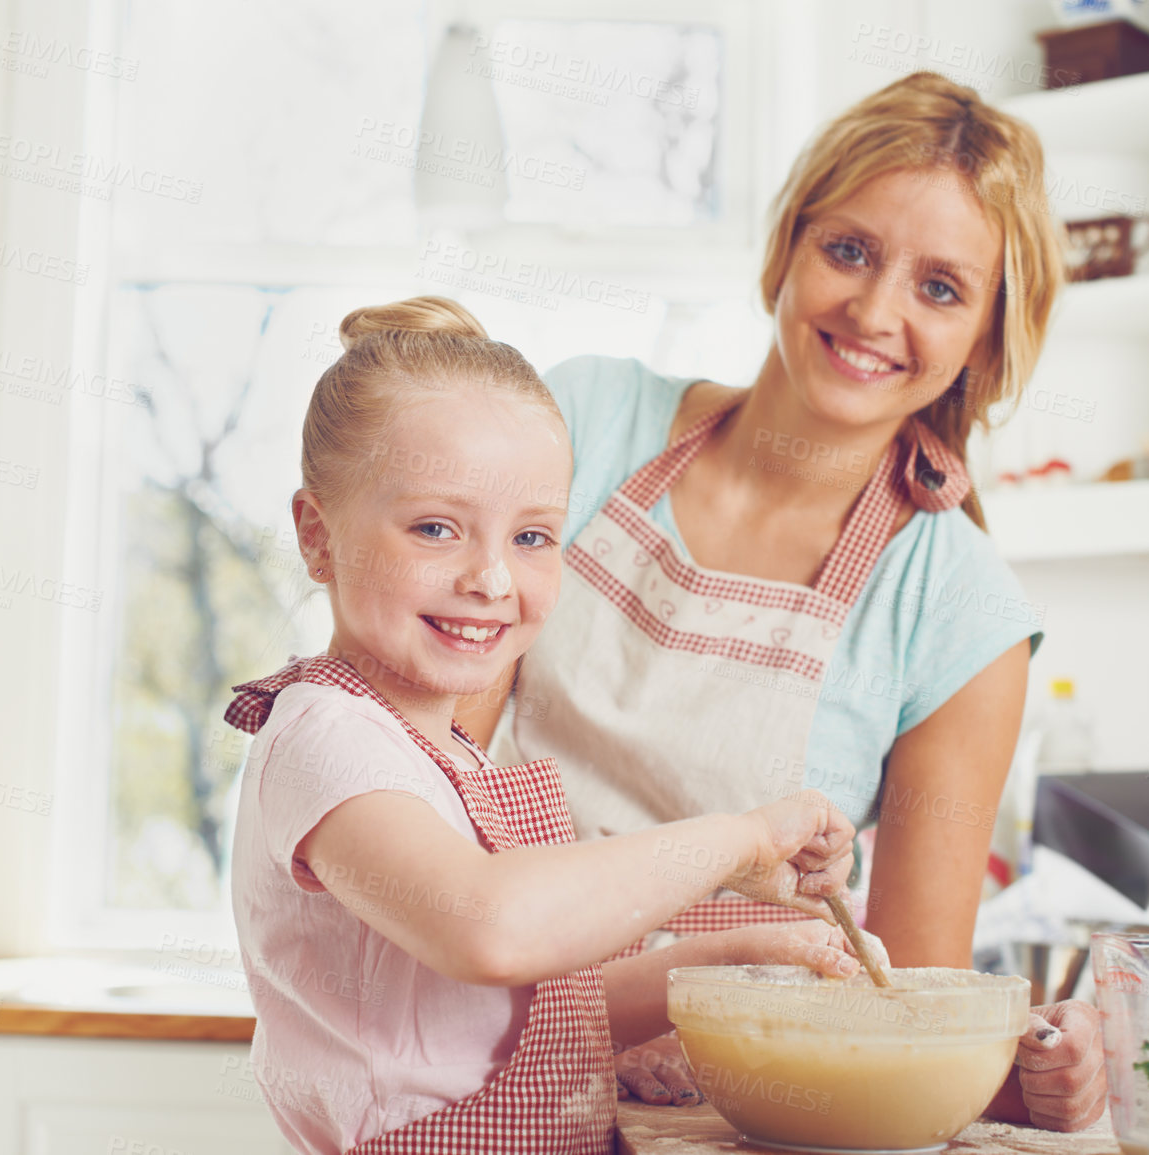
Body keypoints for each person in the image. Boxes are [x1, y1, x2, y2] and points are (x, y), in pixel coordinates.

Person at [458, 72, 1105, 1130]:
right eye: (848, 250)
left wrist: (1032, 1078)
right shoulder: (578, 423)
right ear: (786, 250)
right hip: (462, 1048)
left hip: (711, 1122)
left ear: (987, 337)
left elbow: (905, 1007)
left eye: (940, 288)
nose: (874, 310)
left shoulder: (959, 612)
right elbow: (428, 763)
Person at [227, 296, 874, 1155]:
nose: (492, 577)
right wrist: (736, 837)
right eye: (435, 528)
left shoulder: (440, 753)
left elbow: (518, 1023)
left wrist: (736, 958)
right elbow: (491, 928)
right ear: (317, 537)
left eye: (532, 535)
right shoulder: (323, 737)